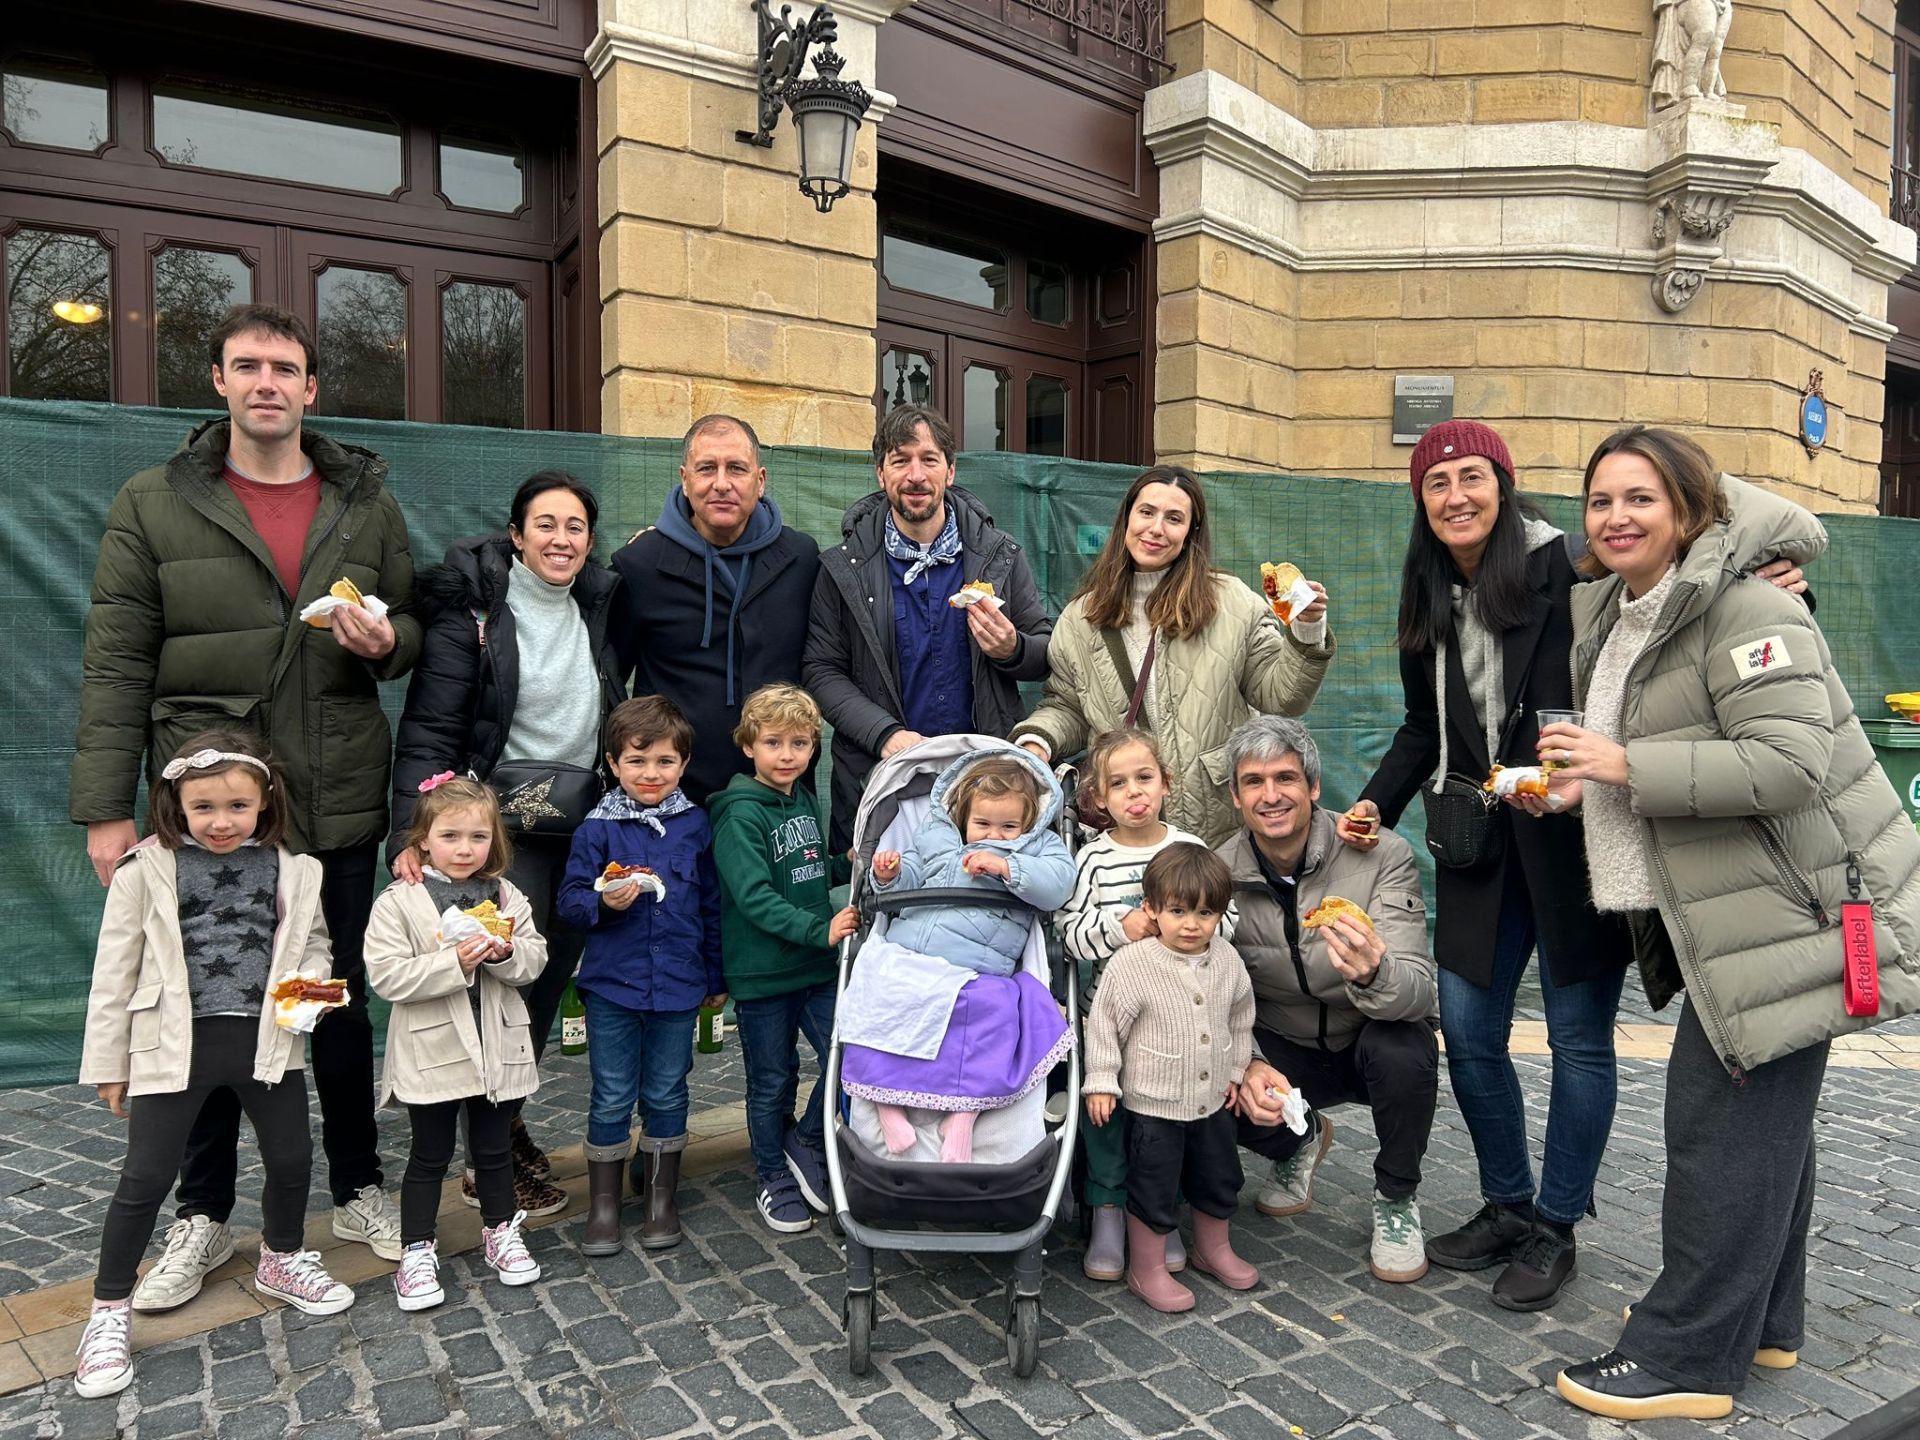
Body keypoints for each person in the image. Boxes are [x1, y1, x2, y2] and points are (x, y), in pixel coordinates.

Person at [1341, 419, 1816, 1311]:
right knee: (1471, 1031)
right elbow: (1420, 726)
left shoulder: (1571, 565)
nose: (1456, 498)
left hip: (1578, 838)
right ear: (1421, 503)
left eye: (1473, 478)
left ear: (1505, 484)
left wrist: (1766, 579)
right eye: (1437, 486)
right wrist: (1376, 801)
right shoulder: (1429, 595)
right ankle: (1508, 1204)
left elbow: (1671, 602)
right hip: (1479, 839)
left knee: (1577, 1041)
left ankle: (1557, 1226)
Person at [1544, 427, 1920, 1423]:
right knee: (1763, 1134)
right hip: (1723, 911)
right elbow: (1648, 746)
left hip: (1783, 912)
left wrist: (1622, 768)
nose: (1616, 517)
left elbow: (1787, 764)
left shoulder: (1749, 604)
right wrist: (1581, 787)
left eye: (1641, 498)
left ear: (1690, 508)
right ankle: (1764, 1323)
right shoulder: (1630, 611)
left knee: (1718, 1134)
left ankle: (1688, 1357)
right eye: (1600, 501)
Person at [70, 303, 416, 1303]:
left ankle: (356, 1185)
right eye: (247, 366)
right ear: (218, 381)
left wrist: (388, 643)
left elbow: (414, 623)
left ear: (312, 390)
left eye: (286, 368)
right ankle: (204, 1215)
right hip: (208, 803)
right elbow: (117, 658)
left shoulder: (364, 503)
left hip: (337, 788)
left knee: (335, 1000)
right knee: (206, 1006)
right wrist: (106, 808)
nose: (267, 382)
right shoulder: (155, 501)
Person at [74, 733, 356, 1398]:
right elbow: (113, 971)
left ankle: (282, 1260)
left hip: (267, 1041)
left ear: (264, 802)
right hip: (172, 1045)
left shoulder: (296, 868)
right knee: (144, 1178)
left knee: (291, 1158)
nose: (222, 821)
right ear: (176, 803)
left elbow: (315, 945)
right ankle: (108, 1311)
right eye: (204, 807)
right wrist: (109, 1063)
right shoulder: (144, 869)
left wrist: (305, 998)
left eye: (237, 805)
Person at [388, 471, 625, 1216]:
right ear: (516, 534)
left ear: (591, 541)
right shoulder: (474, 613)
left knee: (543, 979)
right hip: (495, 831)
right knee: (498, 985)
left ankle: (505, 1125)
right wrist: (412, 834)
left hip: (576, 821)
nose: (562, 539)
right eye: (545, 525)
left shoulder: (599, 606)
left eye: (576, 527)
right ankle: (484, 1152)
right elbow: (429, 727)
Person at [1214, 715, 1440, 1284]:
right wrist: (1250, 1062)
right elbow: (1210, 996)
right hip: (1281, 1044)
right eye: (1254, 782)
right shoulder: (1217, 871)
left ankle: (1395, 1200)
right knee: (1209, 1072)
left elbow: (1418, 990)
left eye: (1286, 778)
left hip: (1366, 1034)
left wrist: (1374, 974)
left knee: (1406, 1049)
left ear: (1313, 787)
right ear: (1237, 797)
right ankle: (1298, 1139)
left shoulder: (1381, 854)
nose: (1271, 796)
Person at [1015, 465, 1333, 845]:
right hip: (1126, 828)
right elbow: (1067, 706)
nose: (1156, 529)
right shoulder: (1081, 617)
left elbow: (1282, 698)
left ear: (1191, 532)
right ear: (1127, 518)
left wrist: (1307, 629)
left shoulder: (1232, 602)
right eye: (1146, 512)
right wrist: (1036, 742)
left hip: (1217, 826)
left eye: (1174, 518)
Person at [803, 404, 1054, 851]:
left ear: (950, 471)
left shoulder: (1001, 556)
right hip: (882, 784)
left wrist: (1011, 648)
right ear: (881, 474)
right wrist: (884, 735)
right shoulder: (844, 568)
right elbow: (822, 670)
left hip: (986, 787)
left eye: (929, 459)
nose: (915, 475)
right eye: (900, 460)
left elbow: (1045, 653)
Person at [836, 749, 1076, 1164]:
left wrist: (1007, 869)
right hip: (908, 957)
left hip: (978, 968)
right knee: (870, 997)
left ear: (1028, 824)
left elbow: (1058, 884)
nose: (993, 834)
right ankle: (887, 1108)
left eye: (1008, 826)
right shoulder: (933, 839)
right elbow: (907, 877)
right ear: (963, 818)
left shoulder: (1039, 849)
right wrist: (889, 874)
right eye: (982, 824)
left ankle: (963, 1115)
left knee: (993, 1014)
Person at [364, 776, 550, 1312]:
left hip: (496, 1046)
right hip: (434, 1048)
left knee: (492, 1150)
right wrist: (455, 962)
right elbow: (388, 976)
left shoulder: (507, 894)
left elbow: (534, 956)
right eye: (450, 836)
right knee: (429, 1153)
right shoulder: (400, 901)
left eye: (477, 837)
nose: (465, 849)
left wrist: (504, 956)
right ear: (422, 840)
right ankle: (417, 1249)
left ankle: (499, 1231)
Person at [557, 696, 724, 1252]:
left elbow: (711, 906)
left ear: (683, 764)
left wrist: (715, 976)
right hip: (613, 987)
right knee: (611, 1094)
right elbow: (570, 903)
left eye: (664, 762)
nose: (650, 774)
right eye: (637, 761)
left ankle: (659, 1195)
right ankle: (604, 1206)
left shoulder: (695, 824)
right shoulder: (595, 832)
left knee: (668, 1090)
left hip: (679, 984)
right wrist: (606, 903)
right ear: (612, 763)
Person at [1059, 727, 1216, 1281]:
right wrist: (1121, 928)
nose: (1134, 793)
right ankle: (1106, 1212)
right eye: (1118, 784)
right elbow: (1069, 936)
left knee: (1164, 1122)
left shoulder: (1190, 849)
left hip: (1175, 1022)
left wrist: (1188, 929)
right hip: (1110, 1019)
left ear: (1166, 784)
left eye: (1144, 778)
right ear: (1100, 799)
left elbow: (1228, 919)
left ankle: (1158, 1217)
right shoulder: (1094, 861)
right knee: (1107, 1117)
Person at [709, 685, 860, 1234]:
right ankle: (771, 1173)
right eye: (773, 742)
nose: (787, 754)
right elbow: (754, 897)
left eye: (800, 742)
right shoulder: (738, 815)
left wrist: (859, 868)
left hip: (815, 968)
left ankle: (806, 1140)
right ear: (748, 746)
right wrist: (820, 930)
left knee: (848, 1059)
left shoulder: (801, 799)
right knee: (772, 1080)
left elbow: (811, 872)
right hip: (765, 973)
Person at [1083, 844, 1257, 1314]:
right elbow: (1103, 1025)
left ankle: (1212, 1247)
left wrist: (1238, 1070)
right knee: (1153, 1185)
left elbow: (1240, 1019)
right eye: (1178, 911)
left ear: (1221, 915)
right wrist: (1101, 1080)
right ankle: (1148, 1267)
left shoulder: (1226, 960)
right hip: (1153, 1103)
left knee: (1218, 1176)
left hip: (1214, 1097)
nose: (1191, 925)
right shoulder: (1132, 964)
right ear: (1151, 910)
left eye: (1205, 913)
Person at [613, 415, 821, 804]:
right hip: (673, 797)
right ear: (685, 478)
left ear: (760, 481)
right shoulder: (638, 565)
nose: (721, 483)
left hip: (778, 798)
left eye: (736, 469)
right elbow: (609, 678)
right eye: (707, 468)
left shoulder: (802, 559)